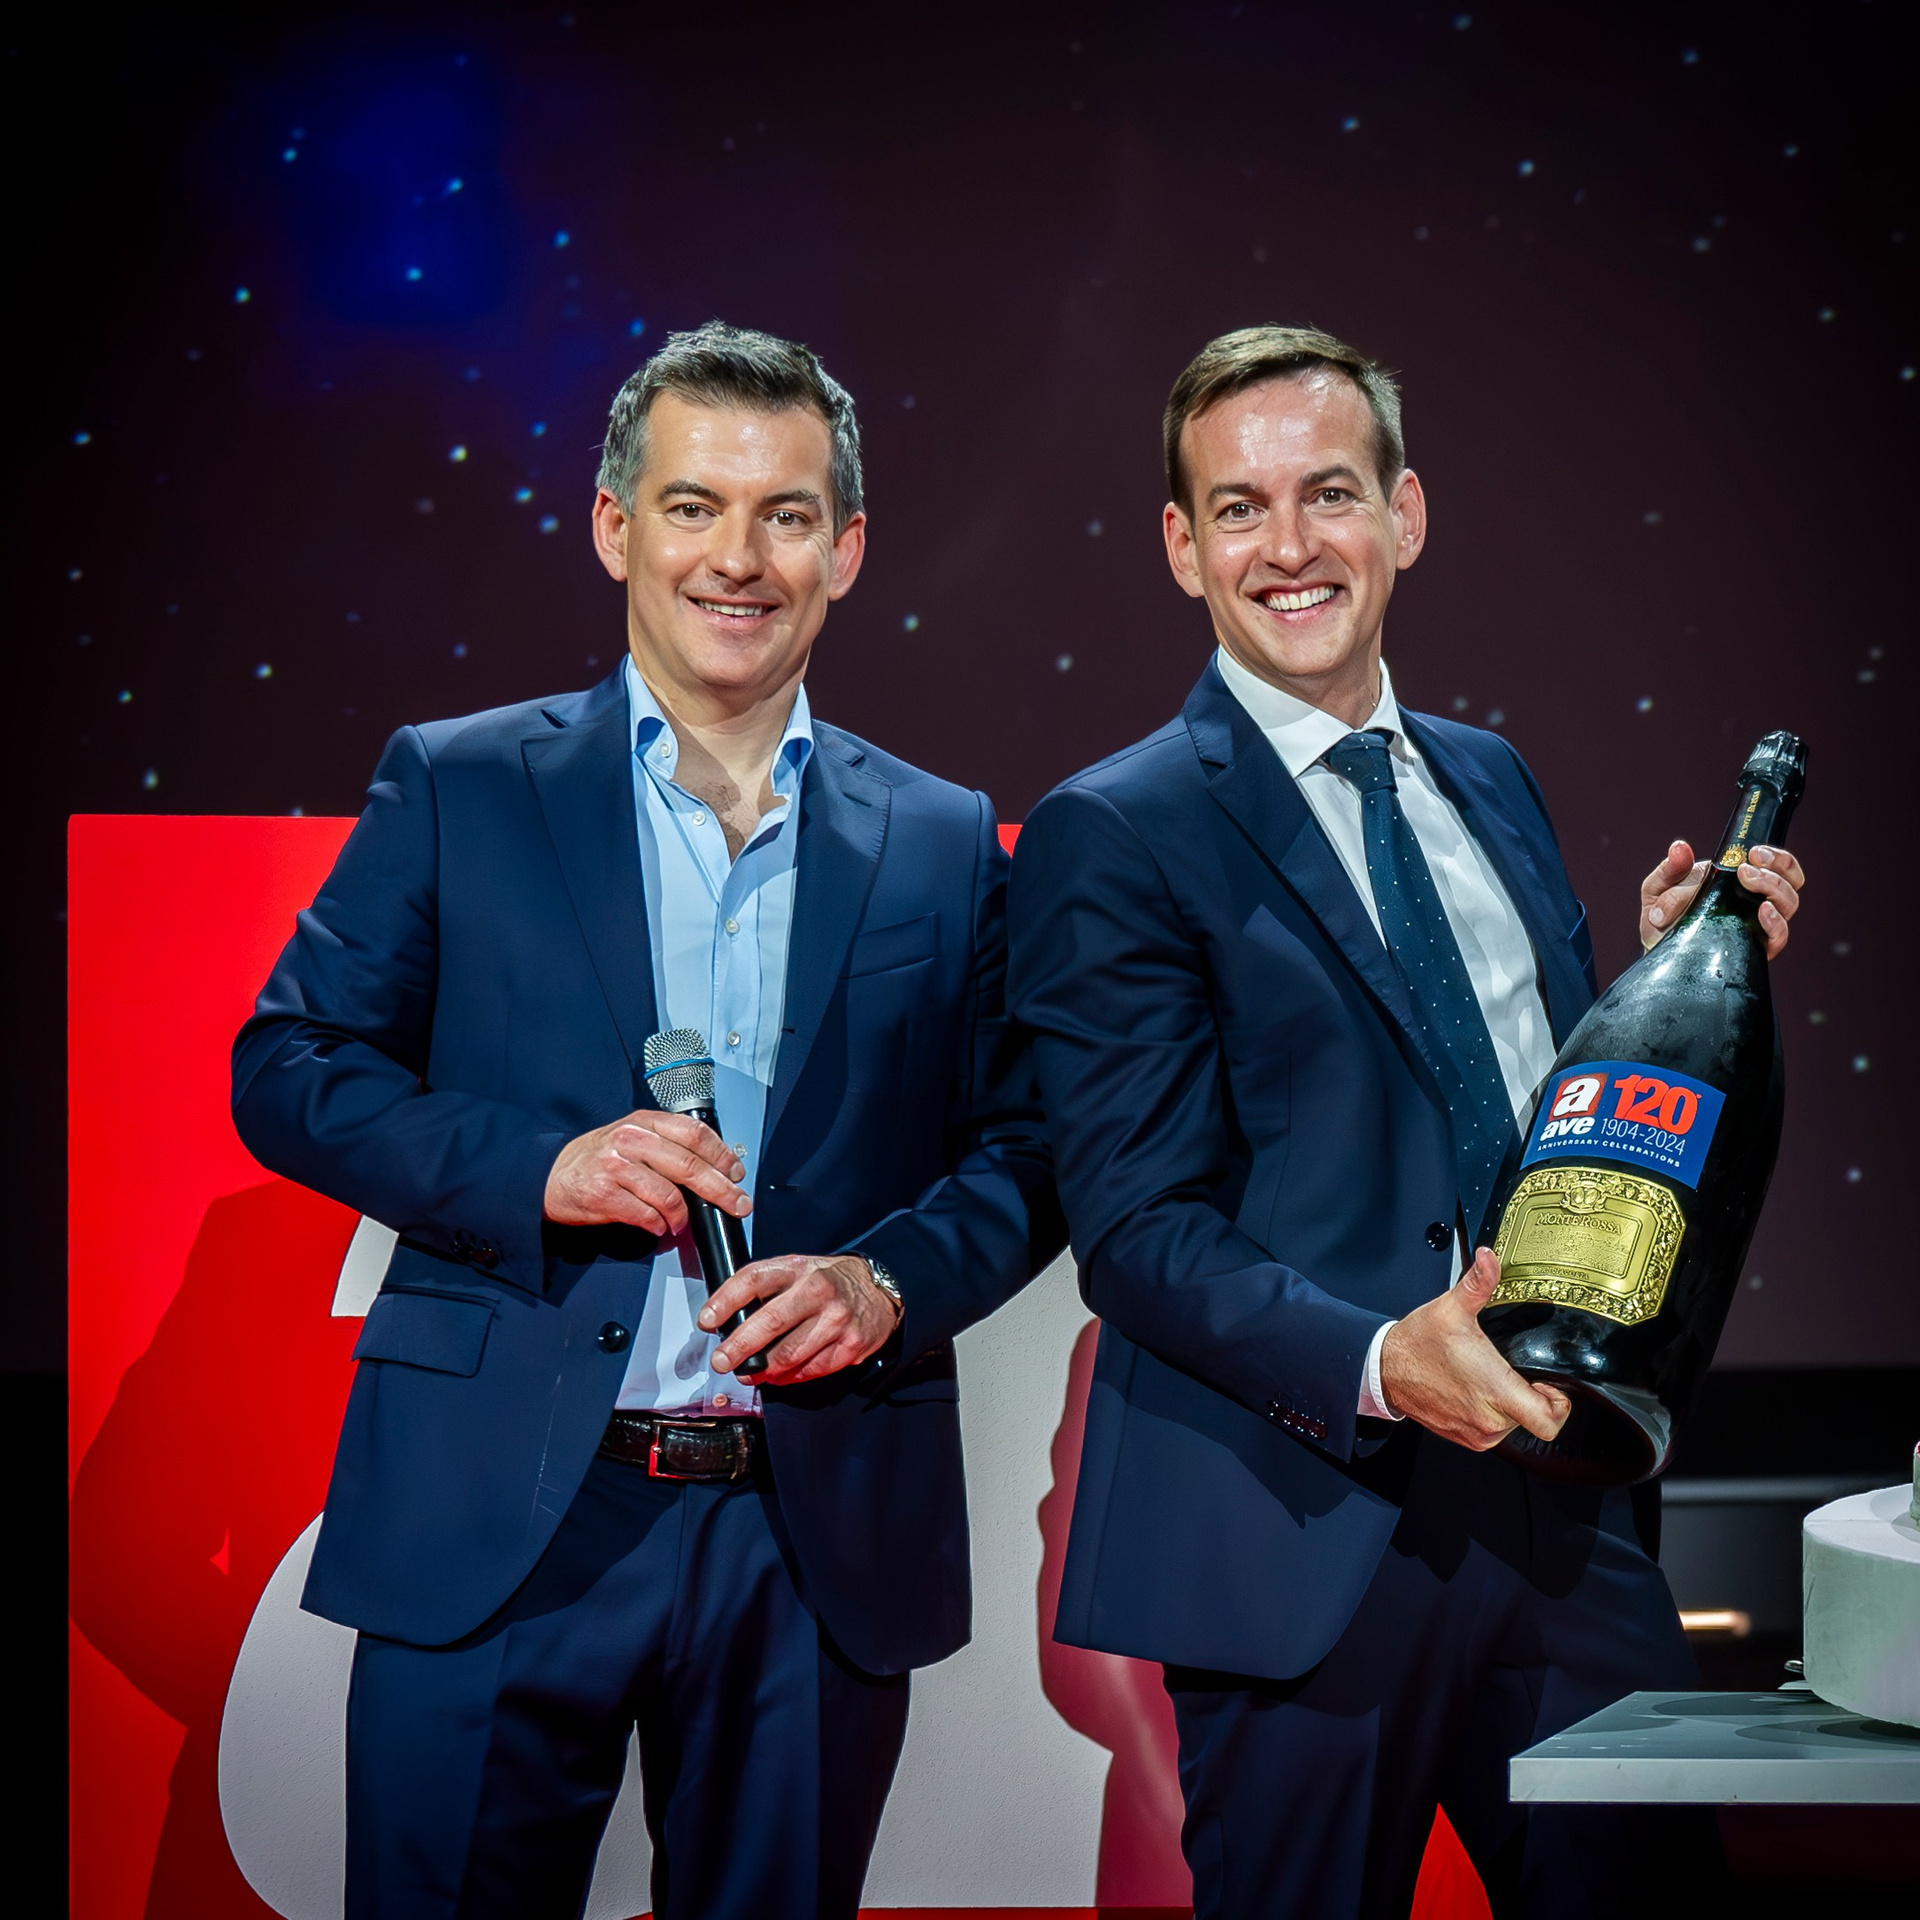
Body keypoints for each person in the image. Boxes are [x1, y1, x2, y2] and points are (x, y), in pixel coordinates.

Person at [232, 321, 1061, 1919]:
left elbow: (1029, 1149)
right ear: (617, 526)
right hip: (500, 1521)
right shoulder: (462, 784)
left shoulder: (945, 838)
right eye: (693, 506)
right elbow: (291, 1065)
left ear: (846, 551)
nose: (737, 557)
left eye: (786, 515)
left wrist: (886, 1282)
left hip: (809, 1535)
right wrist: (539, 1168)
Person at [1006, 325, 1805, 1919]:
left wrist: (1654, 984)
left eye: (1329, 493)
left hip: (1563, 1502)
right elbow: (1138, 1230)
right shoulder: (1119, 827)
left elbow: (1511, 1105)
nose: (1288, 546)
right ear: (1182, 547)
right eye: (1238, 508)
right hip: (1299, 1529)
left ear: (1406, 515)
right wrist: (1382, 1362)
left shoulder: (1490, 779)